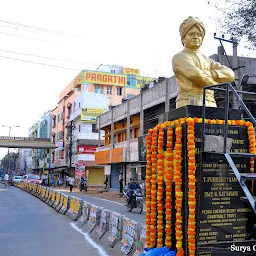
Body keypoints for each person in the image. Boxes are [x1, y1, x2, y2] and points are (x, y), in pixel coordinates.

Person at [172, 16, 235, 109]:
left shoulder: (208, 60)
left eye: (199, 34)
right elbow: (197, 77)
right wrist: (217, 81)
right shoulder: (179, 57)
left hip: (211, 103)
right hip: (188, 102)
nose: (195, 37)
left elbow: (230, 75)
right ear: (183, 38)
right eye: (191, 34)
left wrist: (209, 75)